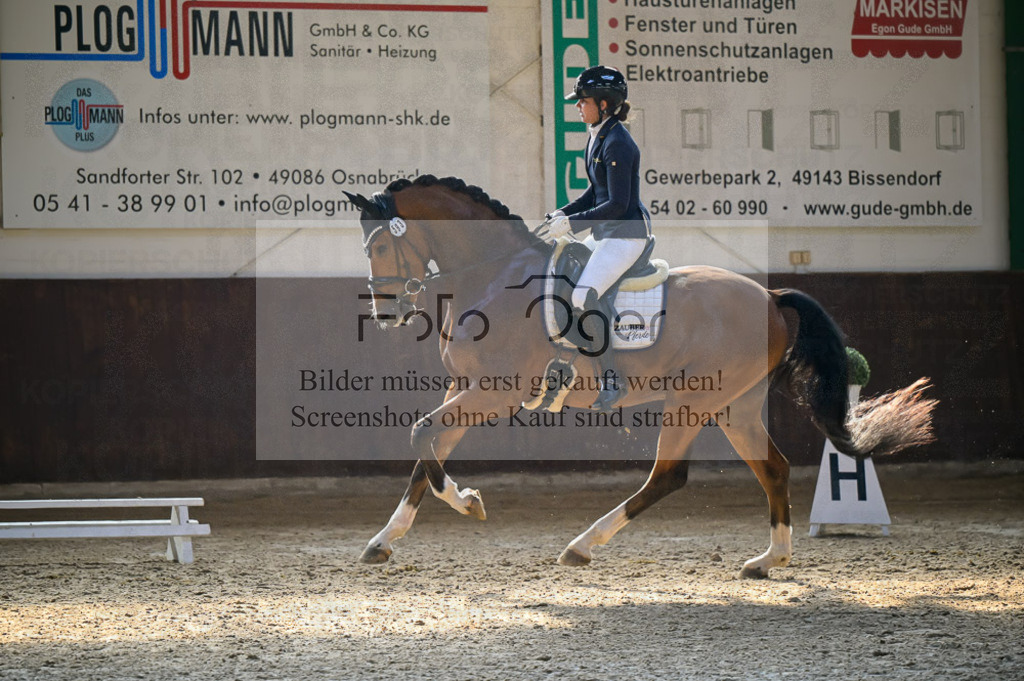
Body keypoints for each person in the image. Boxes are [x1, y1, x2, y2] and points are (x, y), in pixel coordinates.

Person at [537, 65, 652, 412]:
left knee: (585, 294)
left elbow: (617, 204)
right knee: (558, 276)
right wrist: (563, 213)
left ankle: (612, 380)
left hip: (627, 236)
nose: (577, 106)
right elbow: (594, 192)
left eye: (582, 101)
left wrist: (572, 222)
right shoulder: (599, 134)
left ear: (604, 104)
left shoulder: (619, 142)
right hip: (606, 234)